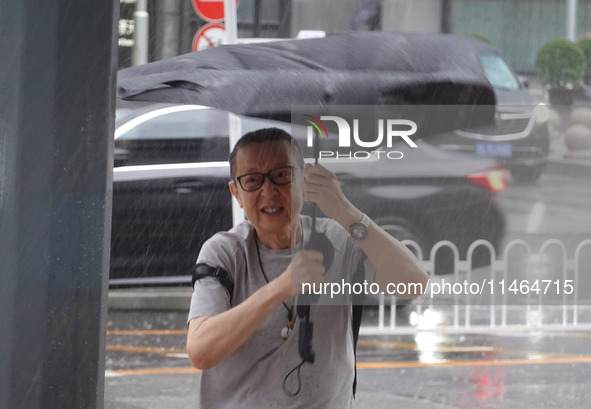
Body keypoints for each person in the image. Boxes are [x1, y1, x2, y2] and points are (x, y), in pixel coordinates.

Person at [186, 127, 428, 408]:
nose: (269, 191)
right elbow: (201, 352)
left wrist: (344, 210)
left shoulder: (338, 240)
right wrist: (281, 286)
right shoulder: (224, 252)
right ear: (236, 193)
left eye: (282, 175)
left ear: (304, 178)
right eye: (252, 180)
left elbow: (413, 284)